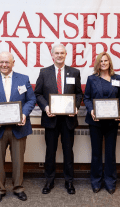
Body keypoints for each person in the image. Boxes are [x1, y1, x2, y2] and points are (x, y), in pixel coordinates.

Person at [0, 52, 36, 202]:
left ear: (13, 63)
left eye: (7, 62)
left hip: (19, 127)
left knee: (18, 161)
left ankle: (18, 188)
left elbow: (31, 99)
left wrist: (23, 114)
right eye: (1, 62)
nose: (4, 65)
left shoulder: (23, 79)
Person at [34, 44, 83, 195]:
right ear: (52, 55)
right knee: (50, 151)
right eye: (57, 53)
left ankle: (69, 182)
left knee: (68, 152)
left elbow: (79, 94)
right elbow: (38, 94)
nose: (59, 55)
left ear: (66, 54)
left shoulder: (74, 72)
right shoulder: (44, 72)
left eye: (62, 53)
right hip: (51, 118)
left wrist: (75, 107)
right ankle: (49, 181)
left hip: (68, 120)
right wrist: (46, 108)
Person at [83, 52, 120, 194]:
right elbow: (87, 98)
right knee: (96, 153)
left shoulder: (117, 78)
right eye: (101, 61)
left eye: (106, 61)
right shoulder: (91, 79)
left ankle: (110, 181)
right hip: (95, 121)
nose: (103, 63)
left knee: (110, 153)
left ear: (109, 62)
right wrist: (91, 111)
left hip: (112, 122)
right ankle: (96, 181)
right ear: (97, 63)